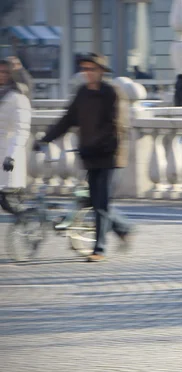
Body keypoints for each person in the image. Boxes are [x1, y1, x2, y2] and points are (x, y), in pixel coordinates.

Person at [36, 53, 133, 262]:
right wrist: (45, 139)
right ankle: (124, 228)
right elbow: (67, 120)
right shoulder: (82, 93)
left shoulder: (112, 93)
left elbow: (118, 126)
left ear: (101, 71)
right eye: (84, 69)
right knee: (95, 201)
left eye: (91, 69)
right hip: (90, 156)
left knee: (101, 204)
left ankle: (99, 249)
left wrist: (98, 147)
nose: (87, 73)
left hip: (111, 157)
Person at [0, 59, 31, 188]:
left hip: (7, 156)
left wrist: (11, 156)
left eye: (6, 72)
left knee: (8, 200)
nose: (2, 75)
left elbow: (21, 130)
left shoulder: (18, 98)